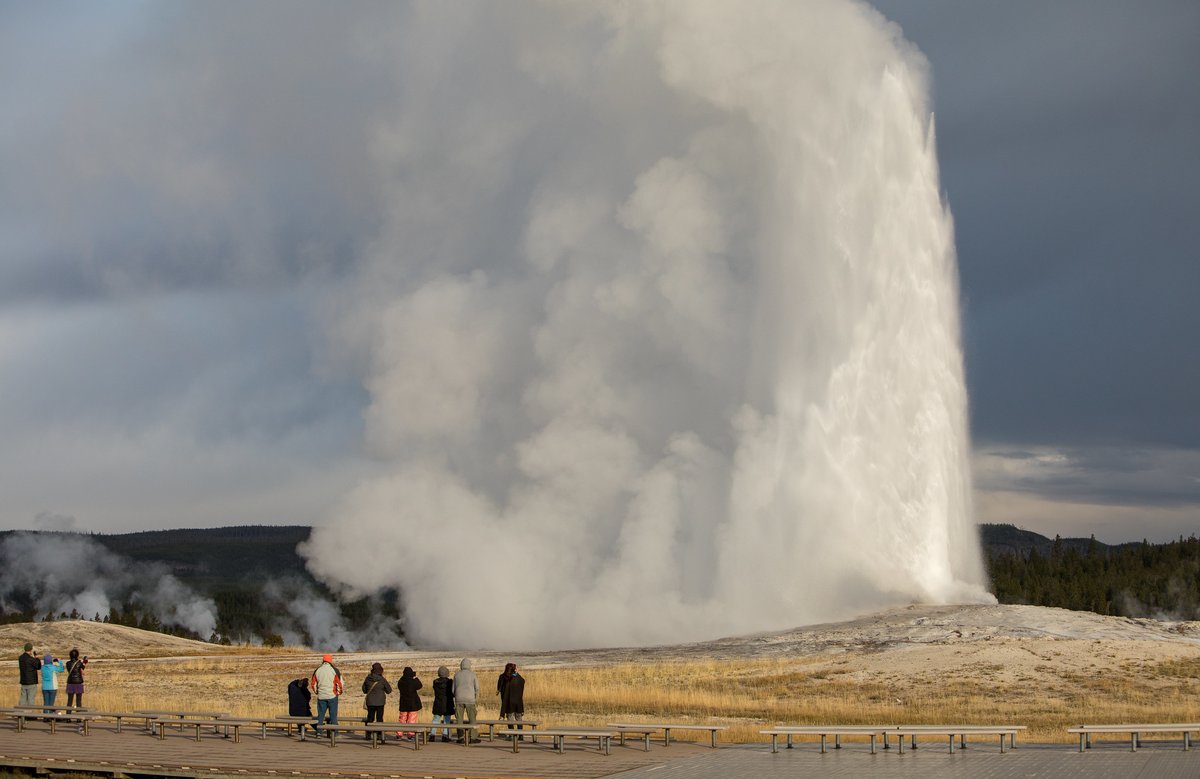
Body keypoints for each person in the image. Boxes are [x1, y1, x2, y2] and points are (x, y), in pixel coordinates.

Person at [309, 653, 343, 737]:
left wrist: (317, 692)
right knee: (333, 715)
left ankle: (319, 732)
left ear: (323, 660)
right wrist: (338, 693)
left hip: (321, 696)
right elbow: (340, 683)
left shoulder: (318, 670)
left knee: (320, 715)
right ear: (330, 661)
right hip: (332, 696)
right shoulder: (334, 670)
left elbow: (313, 684)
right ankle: (335, 733)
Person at [362, 662, 392, 739]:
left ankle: (368, 735)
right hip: (380, 702)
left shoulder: (367, 678)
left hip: (370, 702)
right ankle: (379, 735)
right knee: (379, 718)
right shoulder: (382, 679)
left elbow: (364, 690)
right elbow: (389, 690)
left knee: (370, 718)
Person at [453, 658, 479, 744]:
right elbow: (477, 688)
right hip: (470, 700)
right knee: (472, 719)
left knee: (459, 719)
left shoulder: (456, 675)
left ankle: (460, 737)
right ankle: (473, 737)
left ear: (461, 665)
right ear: (469, 665)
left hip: (459, 699)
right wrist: (476, 699)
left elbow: (453, 690)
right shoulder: (473, 674)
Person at [498, 662, 525, 739]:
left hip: (509, 702)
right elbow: (523, 681)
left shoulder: (504, 678)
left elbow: (499, 688)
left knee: (510, 718)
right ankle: (520, 735)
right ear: (514, 670)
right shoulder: (518, 678)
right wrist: (517, 673)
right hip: (518, 702)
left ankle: (511, 735)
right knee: (519, 718)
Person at [394, 666, 421, 740]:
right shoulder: (412, 681)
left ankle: (399, 734)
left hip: (403, 703)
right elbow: (419, 685)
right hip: (413, 703)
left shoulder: (401, 681)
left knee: (402, 719)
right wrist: (415, 678)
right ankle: (410, 734)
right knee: (412, 719)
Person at [430, 666, 455, 743]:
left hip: (438, 703)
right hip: (448, 703)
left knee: (435, 720)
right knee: (446, 720)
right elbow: (453, 692)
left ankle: (432, 735)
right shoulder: (450, 682)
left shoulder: (435, 682)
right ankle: (444, 735)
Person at [18, 643, 41, 707]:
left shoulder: (20, 658)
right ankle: (30, 715)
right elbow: (38, 666)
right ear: (31, 650)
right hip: (31, 682)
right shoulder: (31, 659)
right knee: (31, 699)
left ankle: (21, 714)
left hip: (23, 681)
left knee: (23, 699)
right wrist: (36, 658)